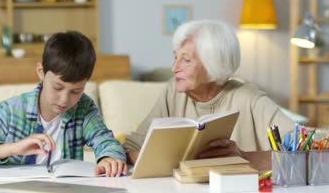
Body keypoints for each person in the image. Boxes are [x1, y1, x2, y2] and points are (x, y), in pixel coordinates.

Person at [0, 31, 127, 177]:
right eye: (57, 87)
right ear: (41, 72)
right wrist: (11, 148)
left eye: (76, 91)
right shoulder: (11, 111)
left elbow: (105, 140)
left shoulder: (84, 107)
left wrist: (108, 158)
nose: (64, 99)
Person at [124, 20, 294, 165]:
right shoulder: (173, 92)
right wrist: (149, 162)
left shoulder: (248, 98)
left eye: (186, 59)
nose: (174, 68)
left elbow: (305, 151)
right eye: (175, 57)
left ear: (214, 65)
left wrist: (245, 157)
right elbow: (133, 145)